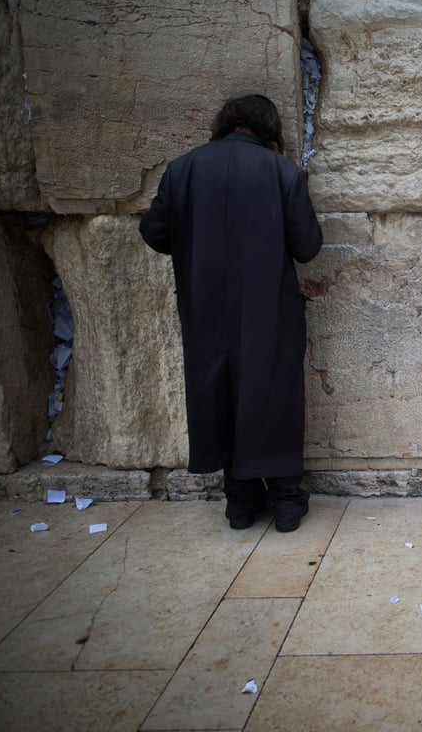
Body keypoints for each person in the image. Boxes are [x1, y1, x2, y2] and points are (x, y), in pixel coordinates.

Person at [140, 92, 323, 532]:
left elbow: (154, 232)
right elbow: (308, 246)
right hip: (269, 308)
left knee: (217, 392)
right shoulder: (282, 173)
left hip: (204, 307)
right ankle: (285, 503)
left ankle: (240, 503)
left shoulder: (182, 170)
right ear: (269, 130)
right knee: (272, 394)